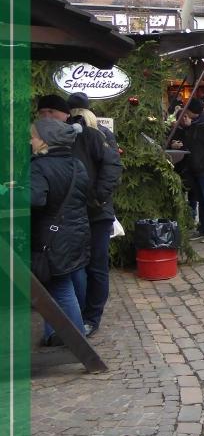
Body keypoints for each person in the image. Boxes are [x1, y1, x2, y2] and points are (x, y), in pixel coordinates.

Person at [41, 95, 123, 337]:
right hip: (68, 215)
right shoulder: (47, 138)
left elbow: (112, 166)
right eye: (42, 112)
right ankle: (75, 317)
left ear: (66, 113)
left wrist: (97, 198)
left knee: (96, 266)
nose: (46, 116)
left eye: (51, 111)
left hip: (95, 212)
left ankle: (91, 317)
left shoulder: (91, 135)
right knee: (75, 267)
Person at [31, 117, 91, 347]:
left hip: (53, 237)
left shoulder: (40, 166)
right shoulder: (76, 164)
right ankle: (56, 335)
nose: (32, 140)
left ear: (46, 141)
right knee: (59, 285)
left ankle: (76, 343)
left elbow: (36, 199)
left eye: (34, 136)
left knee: (60, 287)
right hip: (73, 233)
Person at [173, 98, 204, 243]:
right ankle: (202, 228)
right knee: (201, 200)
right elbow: (192, 144)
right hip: (195, 168)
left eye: (187, 109)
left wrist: (202, 164)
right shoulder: (194, 124)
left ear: (192, 111)